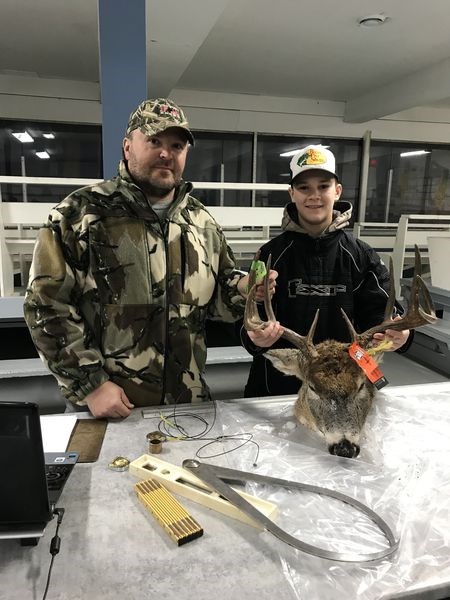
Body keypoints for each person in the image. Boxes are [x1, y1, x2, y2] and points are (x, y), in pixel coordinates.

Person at [24, 98, 275, 418]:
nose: (166, 153)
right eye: (154, 141)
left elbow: (216, 300)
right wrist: (91, 385)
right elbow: (46, 304)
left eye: (177, 145)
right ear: (128, 146)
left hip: (187, 403)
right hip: (109, 407)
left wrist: (245, 290)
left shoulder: (201, 222)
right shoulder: (81, 213)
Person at [241, 144, 412, 398]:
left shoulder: (361, 255)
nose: (314, 196)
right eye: (304, 188)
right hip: (278, 388)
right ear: (292, 193)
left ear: (338, 191)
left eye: (323, 186)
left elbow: (383, 313)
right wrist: (254, 338)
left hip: (344, 390)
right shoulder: (269, 255)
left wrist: (401, 335)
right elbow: (248, 320)